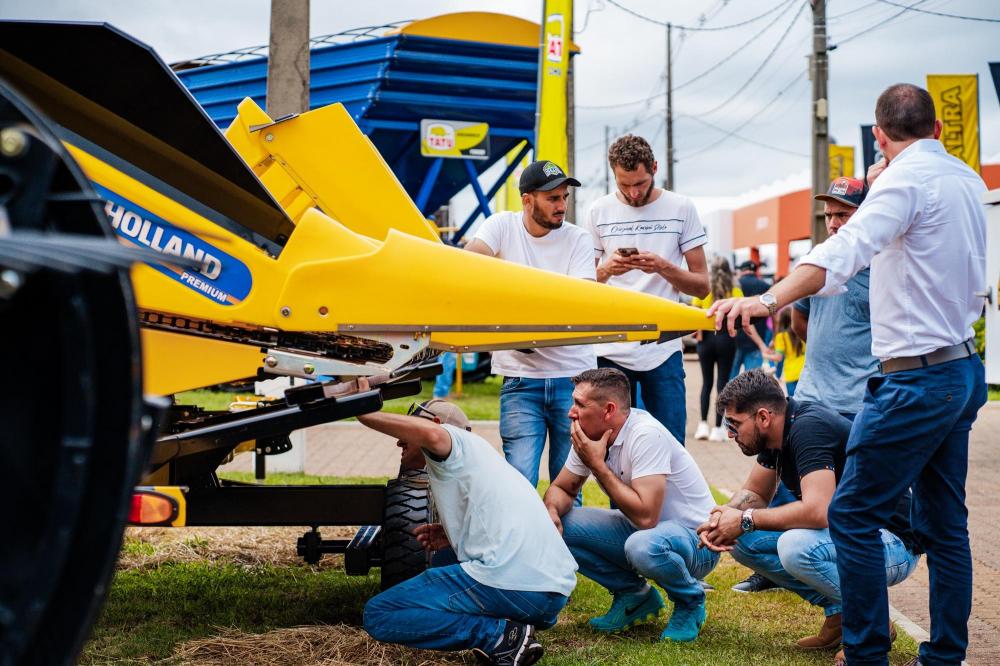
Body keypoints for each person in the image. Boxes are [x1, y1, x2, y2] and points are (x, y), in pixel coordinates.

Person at [709, 83, 988, 666]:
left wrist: (768, 299)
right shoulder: (967, 180)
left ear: (880, 136)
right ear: (937, 130)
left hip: (916, 378)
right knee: (946, 524)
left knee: (852, 514)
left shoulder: (902, 183)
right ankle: (944, 657)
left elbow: (844, 248)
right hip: (961, 366)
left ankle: (865, 655)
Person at [698, 370, 922, 655]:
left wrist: (744, 519)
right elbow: (755, 494)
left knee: (796, 548)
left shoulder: (808, 429)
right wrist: (724, 516)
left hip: (892, 542)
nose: (730, 434)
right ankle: (840, 614)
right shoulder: (776, 431)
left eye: (734, 424)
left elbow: (818, 512)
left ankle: (870, 622)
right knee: (742, 541)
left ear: (764, 417)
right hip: (851, 534)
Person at [359, 381, 578, 666]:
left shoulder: (453, 442)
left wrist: (364, 412)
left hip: (522, 588)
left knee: (379, 614)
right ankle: (511, 629)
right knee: (444, 559)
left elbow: (433, 433)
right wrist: (454, 536)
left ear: (437, 425)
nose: (400, 440)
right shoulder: (480, 459)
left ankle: (499, 637)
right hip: (550, 595)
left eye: (408, 429)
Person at [543, 368, 718, 642]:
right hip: (646, 532)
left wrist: (598, 467)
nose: (570, 412)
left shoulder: (646, 434)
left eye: (579, 404)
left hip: (698, 541)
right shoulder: (590, 434)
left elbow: (647, 517)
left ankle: (690, 602)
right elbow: (562, 488)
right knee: (555, 527)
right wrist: (551, 512)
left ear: (609, 410)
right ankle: (634, 596)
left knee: (642, 546)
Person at [466, 160, 595, 492]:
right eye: (552, 198)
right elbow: (467, 266)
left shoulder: (578, 239)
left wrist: (518, 324)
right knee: (519, 483)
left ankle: (565, 546)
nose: (562, 206)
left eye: (564, 197)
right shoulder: (501, 226)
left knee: (568, 489)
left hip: (574, 378)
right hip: (521, 379)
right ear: (527, 200)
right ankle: (523, 545)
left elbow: (579, 302)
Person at [584, 134, 710, 445]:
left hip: (662, 349)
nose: (632, 192)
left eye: (640, 183)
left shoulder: (681, 207)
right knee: (614, 447)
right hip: (609, 350)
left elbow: (703, 287)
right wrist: (606, 270)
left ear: (654, 167)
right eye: (623, 184)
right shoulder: (598, 211)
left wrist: (662, 267)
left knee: (670, 445)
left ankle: (667, 497)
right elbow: (582, 286)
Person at [791, 176, 878, 420]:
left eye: (843, 215)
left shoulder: (884, 268)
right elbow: (798, 321)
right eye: (829, 216)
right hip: (809, 397)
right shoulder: (816, 260)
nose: (833, 224)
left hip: (861, 403)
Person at [692, 256, 741, 442]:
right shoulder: (735, 289)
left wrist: (699, 334)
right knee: (722, 384)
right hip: (726, 339)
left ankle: (703, 425)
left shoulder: (704, 290)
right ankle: (718, 428)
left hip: (706, 339)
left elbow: (696, 315)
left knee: (706, 383)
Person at [729, 260, 771, 379]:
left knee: (730, 380)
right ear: (755, 271)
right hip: (756, 339)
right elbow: (775, 313)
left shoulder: (735, 286)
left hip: (734, 338)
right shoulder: (765, 286)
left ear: (742, 271)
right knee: (751, 381)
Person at [771, 308, 805, 396]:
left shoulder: (781, 337)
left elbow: (778, 357)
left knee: (794, 402)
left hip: (791, 374)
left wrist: (765, 354)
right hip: (804, 372)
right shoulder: (803, 331)